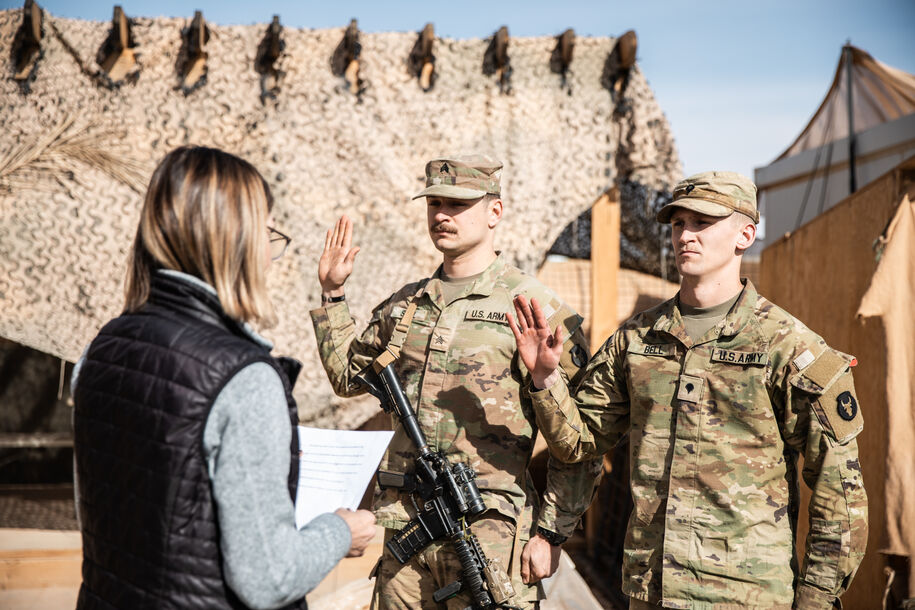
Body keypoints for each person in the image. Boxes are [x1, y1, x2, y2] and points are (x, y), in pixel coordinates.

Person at [509, 171, 868, 609]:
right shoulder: (636, 339)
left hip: (745, 596)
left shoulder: (789, 348)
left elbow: (839, 491)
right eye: (678, 223)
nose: (685, 235)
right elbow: (579, 442)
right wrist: (546, 378)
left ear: (745, 235)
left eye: (703, 222)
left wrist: (816, 600)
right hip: (650, 591)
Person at [72, 146, 376, 610]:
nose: (271, 257)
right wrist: (339, 531)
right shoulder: (244, 379)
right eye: (266, 234)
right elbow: (268, 578)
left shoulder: (102, 348)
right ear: (234, 242)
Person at [311, 155, 602, 609]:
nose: (442, 215)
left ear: (494, 211)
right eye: (435, 204)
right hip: (405, 529)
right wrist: (333, 294)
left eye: (458, 204)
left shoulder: (536, 308)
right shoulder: (406, 305)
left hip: (489, 532)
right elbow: (348, 378)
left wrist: (551, 532)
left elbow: (582, 440)